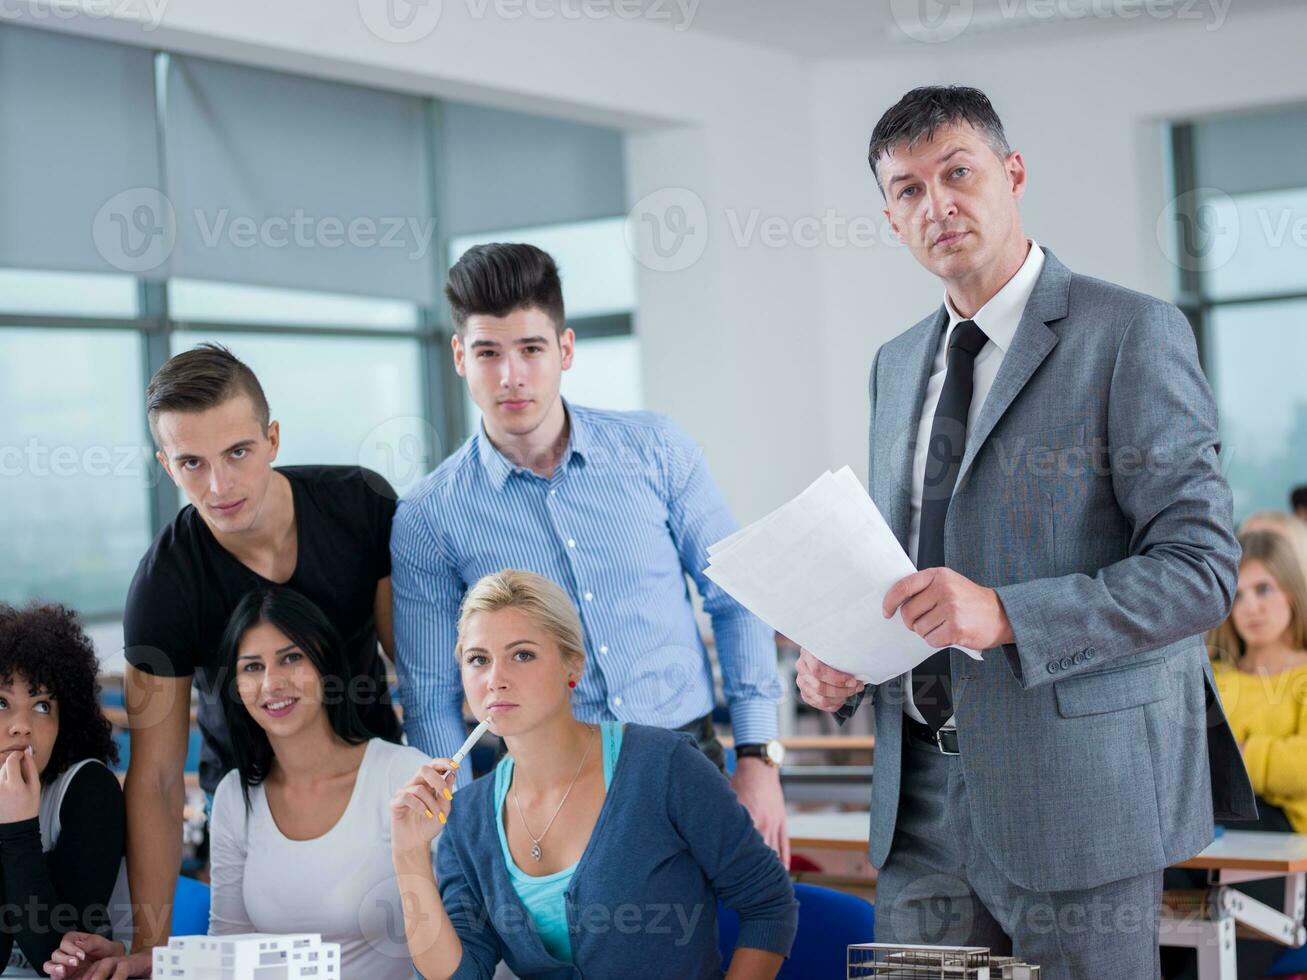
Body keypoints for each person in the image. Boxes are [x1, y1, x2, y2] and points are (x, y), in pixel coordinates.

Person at [793, 85, 1255, 978]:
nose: (938, 205)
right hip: (917, 799)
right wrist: (846, 654)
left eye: (956, 173)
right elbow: (906, 567)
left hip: (1077, 795)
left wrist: (1006, 613)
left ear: (1011, 174)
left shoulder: (1129, 334)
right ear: (890, 219)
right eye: (907, 190)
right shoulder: (894, 366)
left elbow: (1200, 571)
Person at [391, 243, 788, 861]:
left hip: (687, 757)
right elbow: (432, 693)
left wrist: (758, 758)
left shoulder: (656, 450)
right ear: (460, 357)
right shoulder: (428, 516)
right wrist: (462, 832)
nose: (510, 376)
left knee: (722, 949)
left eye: (531, 349)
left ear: (565, 350)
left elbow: (735, 597)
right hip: (539, 786)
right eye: (488, 353)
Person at [117, 344, 404, 974]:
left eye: (238, 453)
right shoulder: (162, 588)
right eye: (192, 462)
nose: (219, 485)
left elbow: (417, 667)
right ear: (167, 466)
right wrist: (151, 951)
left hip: (377, 788)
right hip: (251, 811)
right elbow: (159, 779)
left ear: (272, 438)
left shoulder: (360, 506)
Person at [389, 569, 796, 979]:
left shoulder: (663, 765)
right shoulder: (467, 817)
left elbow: (768, 905)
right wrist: (409, 853)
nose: (496, 680)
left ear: (573, 667)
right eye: (478, 659)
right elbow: (458, 975)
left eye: (523, 655)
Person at [61, 587, 430, 980]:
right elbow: (229, 953)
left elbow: (461, 937)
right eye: (252, 667)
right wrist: (147, 964)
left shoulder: (402, 775)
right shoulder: (236, 796)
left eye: (291, 658)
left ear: (325, 665)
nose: (272, 683)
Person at [1162, 528, 1307, 980]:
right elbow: (1180, 757)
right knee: (1145, 921)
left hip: (1287, 851)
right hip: (1207, 837)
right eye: (1238, 594)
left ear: (1292, 589)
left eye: (1264, 588)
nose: (1252, 608)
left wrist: (1234, 754)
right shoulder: (1214, 674)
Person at [0, 604, 125, 979]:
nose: (21, 726)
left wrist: (17, 827)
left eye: (42, 705)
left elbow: (52, 956)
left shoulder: (88, 790)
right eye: (1, 702)